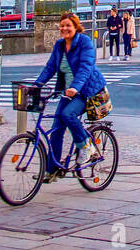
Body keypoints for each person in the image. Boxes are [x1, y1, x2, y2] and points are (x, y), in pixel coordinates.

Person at [35, 13, 107, 170]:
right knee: (57, 130)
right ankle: (52, 169)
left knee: (68, 114)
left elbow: (85, 67)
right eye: (62, 25)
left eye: (68, 25)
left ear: (76, 27)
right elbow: (50, 67)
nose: (64, 28)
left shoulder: (84, 42)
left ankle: (86, 146)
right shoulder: (60, 45)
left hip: (87, 91)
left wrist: (75, 87)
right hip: (68, 92)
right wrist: (37, 85)